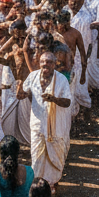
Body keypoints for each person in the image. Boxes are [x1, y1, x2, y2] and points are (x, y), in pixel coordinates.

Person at [20, 51, 72, 187]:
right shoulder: (32, 77)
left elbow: (67, 102)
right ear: (39, 63)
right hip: (37, 124)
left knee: (55, 155)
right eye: (43, 61)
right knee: (36, 156)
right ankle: (38, 183)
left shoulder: (61, 79)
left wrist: (53, 99)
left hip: (56, 126)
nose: (45, 64)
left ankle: (52, 183)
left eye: (49, 62)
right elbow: (23, 94)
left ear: (54, 64)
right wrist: (19, 91)